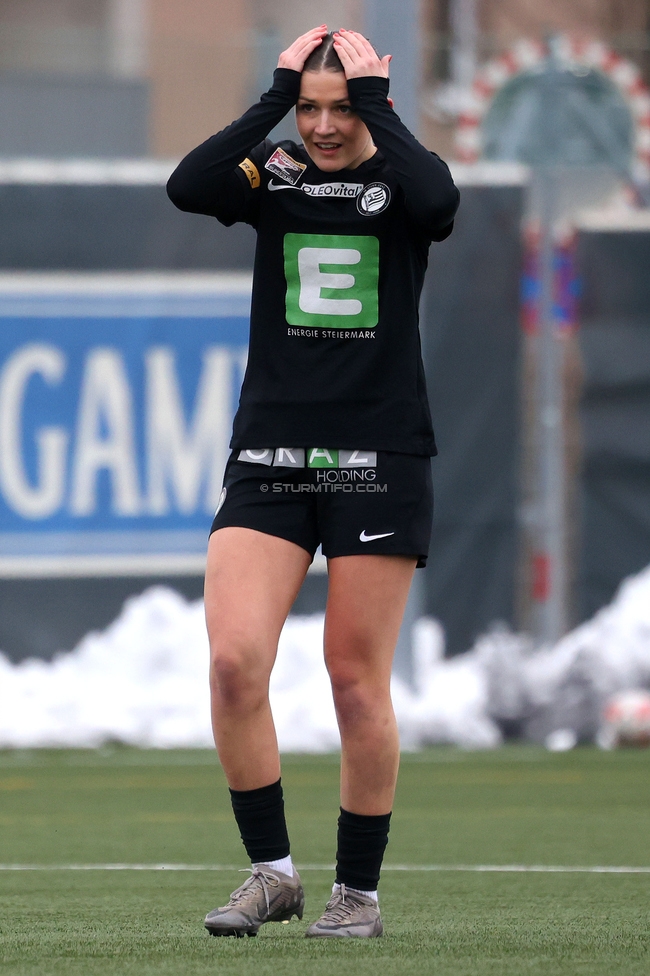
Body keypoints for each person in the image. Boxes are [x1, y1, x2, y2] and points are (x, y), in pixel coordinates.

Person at [167, 25, 459, 939]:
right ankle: (273, 875)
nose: (324, 126)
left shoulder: (402, 180)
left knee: (354, 681)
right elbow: (190, 185)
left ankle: (357, 896)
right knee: (231, 662)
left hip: (378, 459)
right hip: (272, 458)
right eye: (311, 106)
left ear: (374, 104)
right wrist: (273, 100)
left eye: (343, 107)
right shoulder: (277, 172)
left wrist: (378, 109)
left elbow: (441, 201)